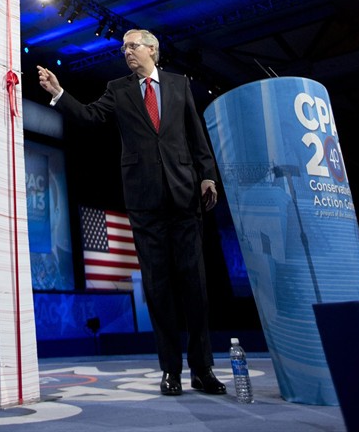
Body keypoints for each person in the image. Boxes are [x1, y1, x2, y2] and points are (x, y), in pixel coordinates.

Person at [37, 29, 225, 396]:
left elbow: (196, 136)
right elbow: (90, 117)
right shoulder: (118, 89)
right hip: (144, 202)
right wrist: (59, 93)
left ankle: (203, 369)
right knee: (158, 290)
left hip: (185, 197)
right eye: (123, 47)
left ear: (153, 50)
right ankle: (170, 371)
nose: (126, 52)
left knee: (196, 288)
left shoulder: (178, 84)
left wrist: (207, 177)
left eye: (133, 46)